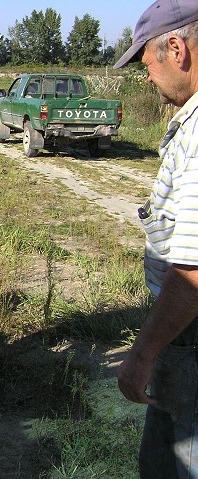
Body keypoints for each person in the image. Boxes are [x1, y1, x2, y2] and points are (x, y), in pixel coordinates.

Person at [114, 1, 198, 477]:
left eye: (147, 65)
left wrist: (142, 353)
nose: (148, 78)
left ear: (176, 48)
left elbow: (191, 272)